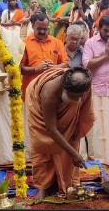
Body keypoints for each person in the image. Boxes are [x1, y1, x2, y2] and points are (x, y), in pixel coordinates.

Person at [27, 66, 95, 198]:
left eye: (81, 96)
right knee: (43, 145)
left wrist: (76, 128)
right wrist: (74, 154)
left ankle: (66, 182)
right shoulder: (49, 94)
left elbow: (83, 108)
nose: (79, 99)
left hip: (67, 108)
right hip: (41, 112)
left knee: (71, 138)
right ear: (65, 89)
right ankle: (43, 186)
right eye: (75, 97)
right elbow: (51, 129)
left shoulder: (83, 86)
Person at [81, 14, 109, 167]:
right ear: (99, 28)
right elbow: (86, 64)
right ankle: (98, 155)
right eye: (106, 30)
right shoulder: (90, 43)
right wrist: (105, 57)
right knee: (97, 124)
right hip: (96, 88)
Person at [20, 13, 68, 99]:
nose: (42, 32)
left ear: (48, 28)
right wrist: (36, 69)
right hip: (31, 92)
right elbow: (20, 69)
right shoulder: (24, 43)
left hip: (52, 92)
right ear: (33, 26)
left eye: (45, 29)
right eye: (39, 29)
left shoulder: (57, 43)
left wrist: (54, 68)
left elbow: (65, 64)